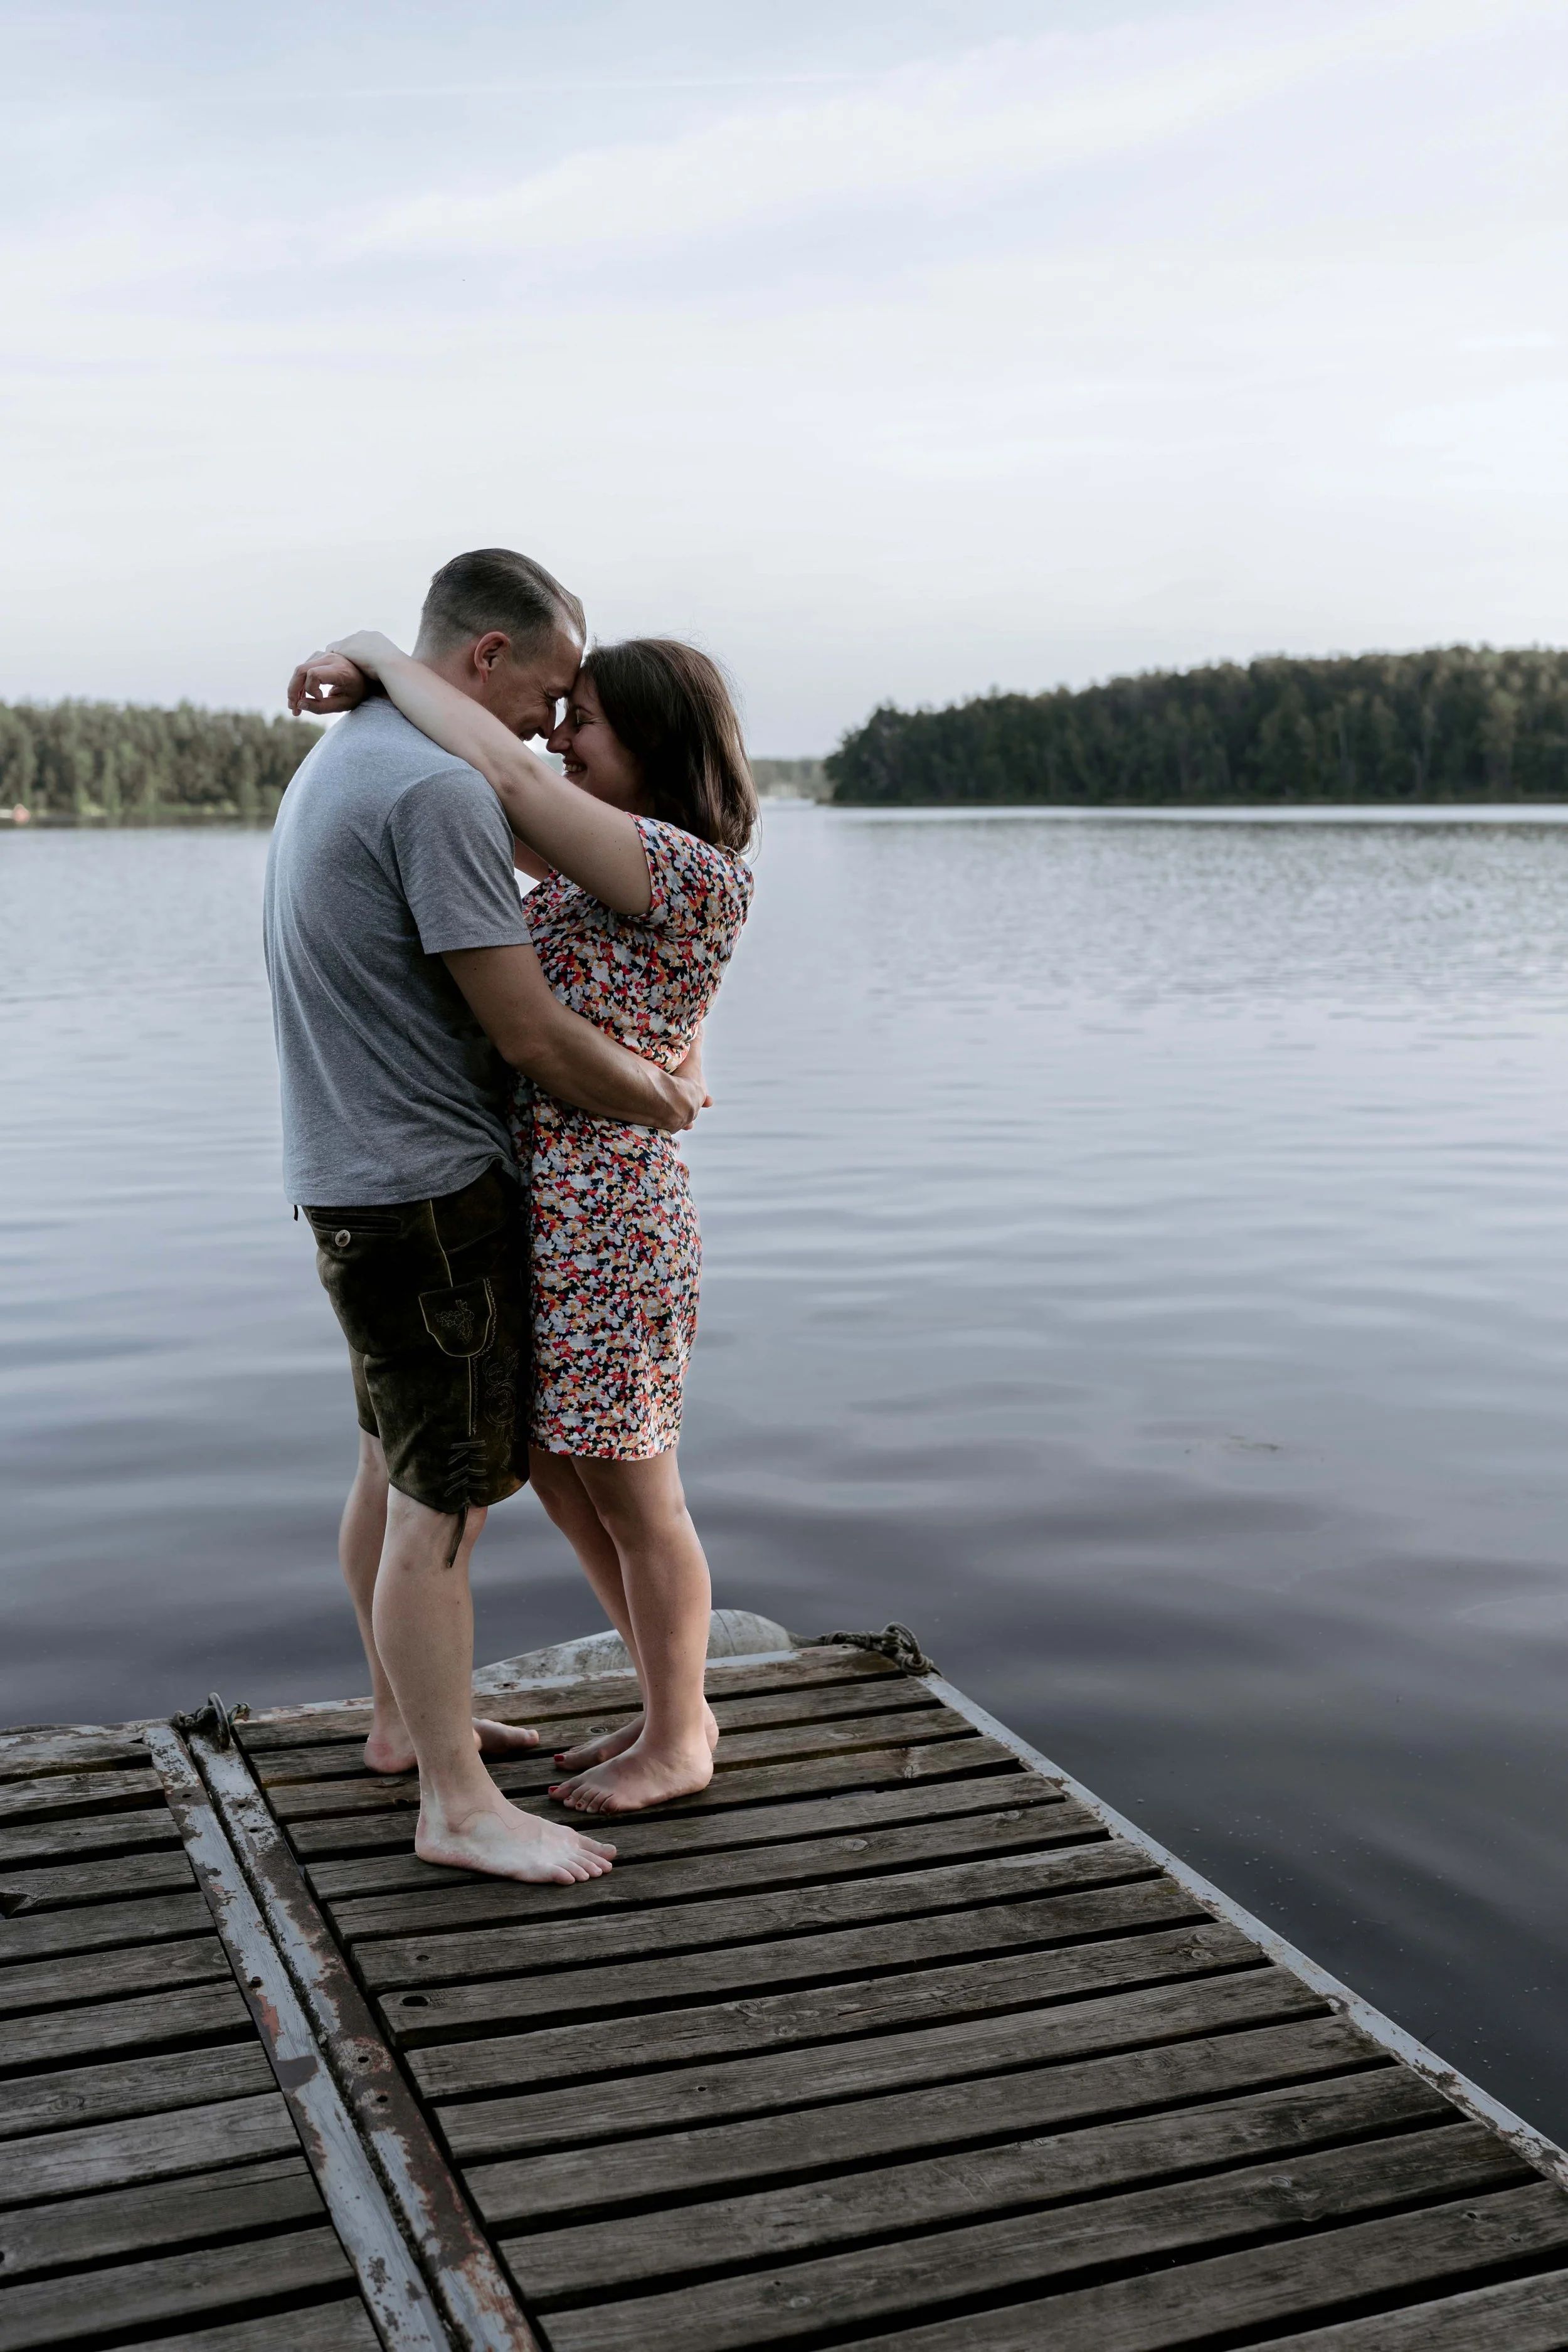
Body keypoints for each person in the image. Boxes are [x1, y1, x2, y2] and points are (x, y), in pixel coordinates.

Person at [265, 548, 708, 1882]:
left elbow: (549, 844)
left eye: (582, 713)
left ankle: (408, 1725)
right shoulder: (435, 787)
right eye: (551, 693)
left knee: (389, 1465)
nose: (549, 726)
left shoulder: (351, 759)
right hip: (428, 1192)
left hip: (354, 1175)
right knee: (440, 1503)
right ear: (488, 657)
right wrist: (661, 1096)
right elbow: (527, 1033)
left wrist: (369, 656)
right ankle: (455, 1804)